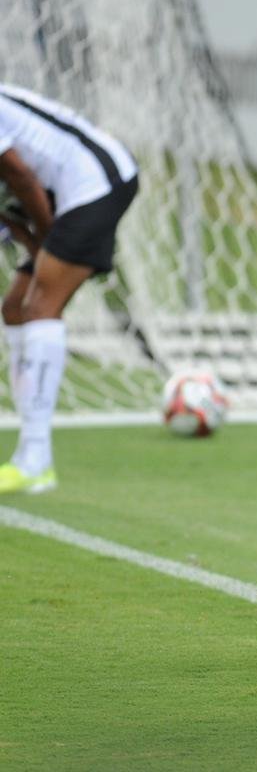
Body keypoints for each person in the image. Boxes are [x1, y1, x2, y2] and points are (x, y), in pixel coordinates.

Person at [0, 83, 139, 493]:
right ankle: (31, 454)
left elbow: (20, 175)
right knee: (14, 309)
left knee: (40, 307)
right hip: (61, 190)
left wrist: (46, 238)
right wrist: (33, 241)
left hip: (95, 181)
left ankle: (36, 460)